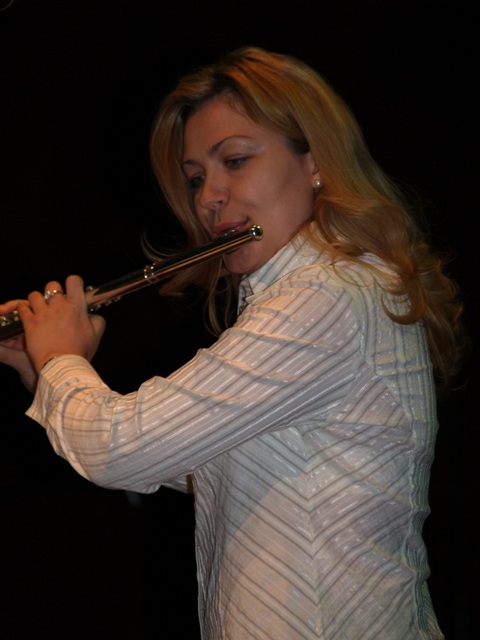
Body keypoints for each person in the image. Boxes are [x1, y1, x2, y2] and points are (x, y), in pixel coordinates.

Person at [0, 47, 466, 639]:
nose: (208, 197)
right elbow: (212, 462)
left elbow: (121, 453)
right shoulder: (329, 291)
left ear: (316, 160)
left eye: (236, 160)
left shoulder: (327, 296)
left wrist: (60, 359)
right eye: (197, 177)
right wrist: (45, 369)